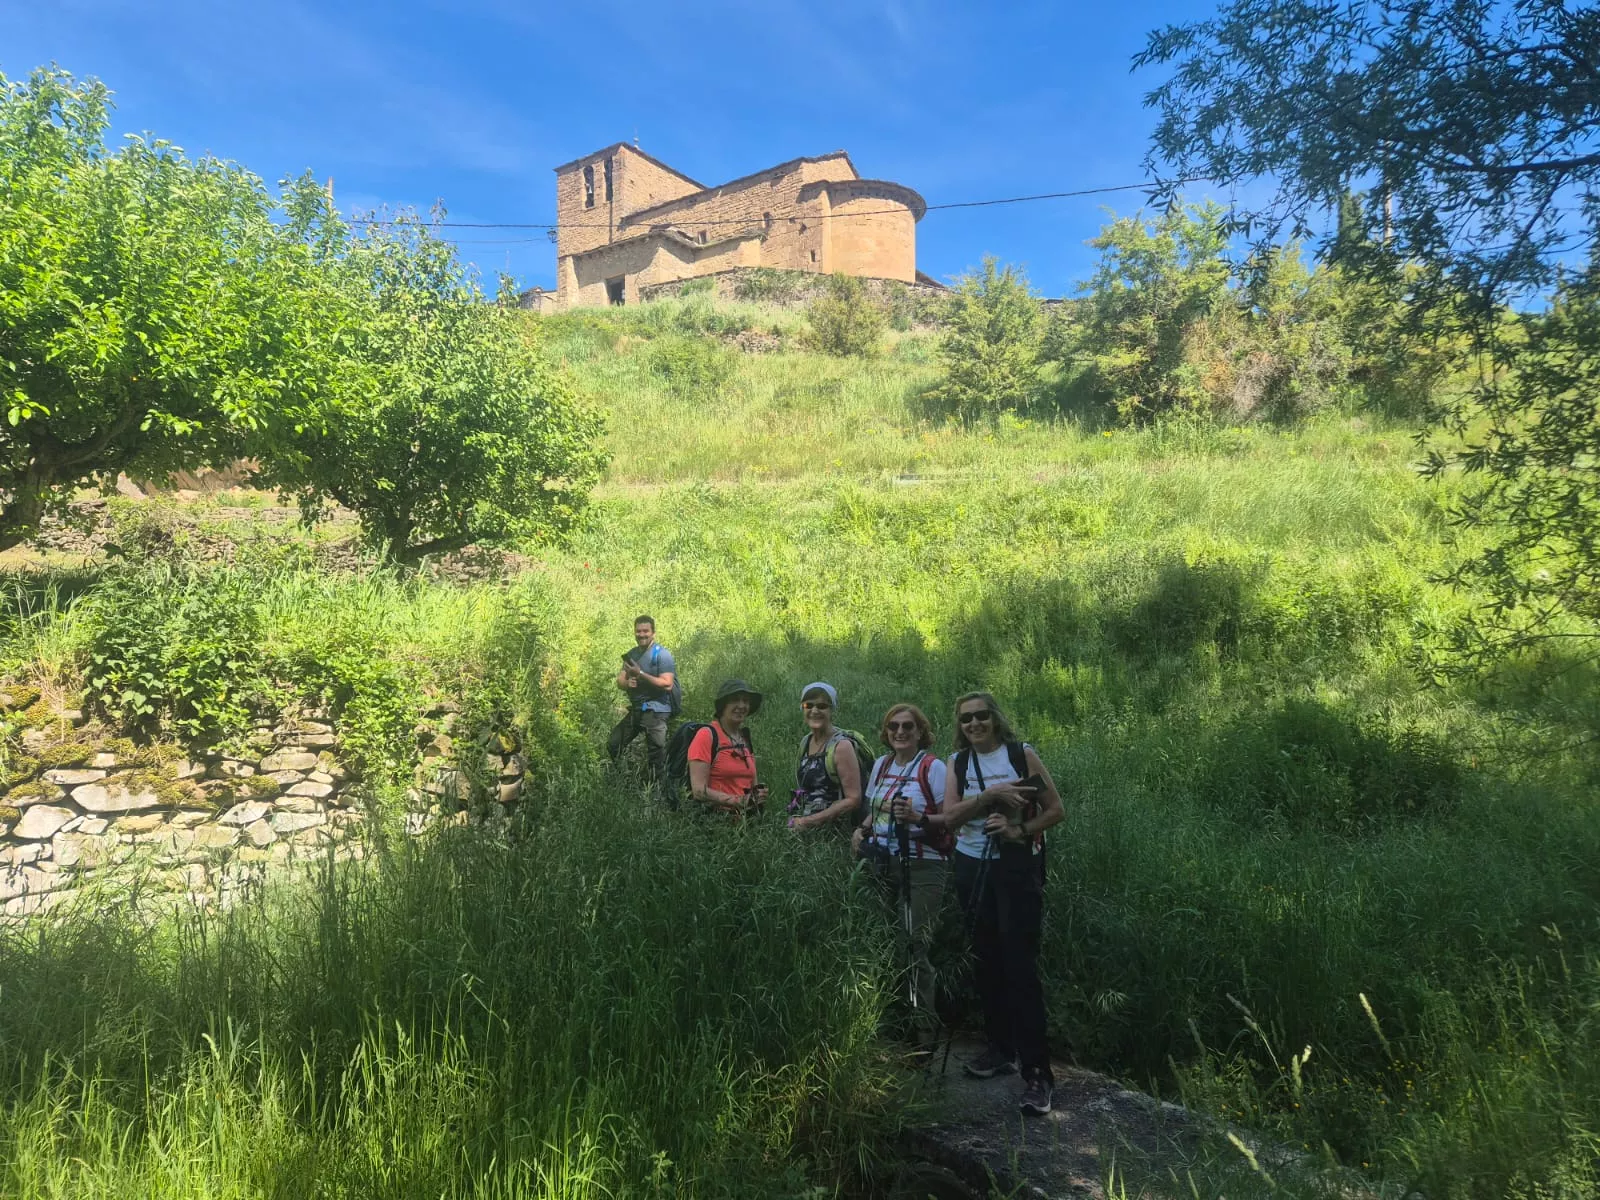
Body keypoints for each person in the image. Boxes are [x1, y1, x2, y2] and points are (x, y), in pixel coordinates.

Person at [935, 691, 1064, 1117]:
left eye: (981, 716)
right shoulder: (957, 763)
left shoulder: (1019, 755)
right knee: (985, 960)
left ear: (995, 718)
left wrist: (1018, 831)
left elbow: (1055, 809)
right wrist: (991, 799)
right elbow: (950, 817)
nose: (974, 724)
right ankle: (1000, 1049)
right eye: (966, 718)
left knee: (1020, 966)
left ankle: (1038, 1073)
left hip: (1015, 869)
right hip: (971, 867)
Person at [853, 703, 949, 1047]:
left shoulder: (934, 768)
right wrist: (861, 830)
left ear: (921, 731)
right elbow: (873, 810)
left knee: (913, 944)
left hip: (923, 864)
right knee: (881, 942)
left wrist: (916, 817)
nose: (900, 732)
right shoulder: (881, 765)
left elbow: (950, 818)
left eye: (908, 726)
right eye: (893, 726)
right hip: (882, 862)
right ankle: (892, 1019)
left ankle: (925, 1031)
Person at [607, 615, 677, 787]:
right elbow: (620, 682)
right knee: (614, 743)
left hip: (657, 711)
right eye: (638, 631)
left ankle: (657, 797)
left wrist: (641, 675)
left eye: (645, 631)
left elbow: (667, 684)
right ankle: (630, 781)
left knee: (656, 757)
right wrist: (627, 683)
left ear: (653, 633)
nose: (642, 634)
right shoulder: (632, 654)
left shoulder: (663, 655)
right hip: (637, 710)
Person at [788, 681, 865, 832]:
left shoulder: (841, 746)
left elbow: (853, 799)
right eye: (808, 706)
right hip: (805, 828)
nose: (814, 710)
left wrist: (809, 822)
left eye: (822, 706)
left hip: (834, 834)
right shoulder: (806, 741)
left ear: (832, 710)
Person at [688, 679, 767, 817]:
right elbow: (699, 791)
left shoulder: (744, 738)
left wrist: (758, 794)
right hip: (717, 823)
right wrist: (738, 801)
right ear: (723, 705)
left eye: (746, 701)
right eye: (735, 700)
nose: (741, 705)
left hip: (748, 822)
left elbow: (751, 784)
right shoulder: (707, 735)